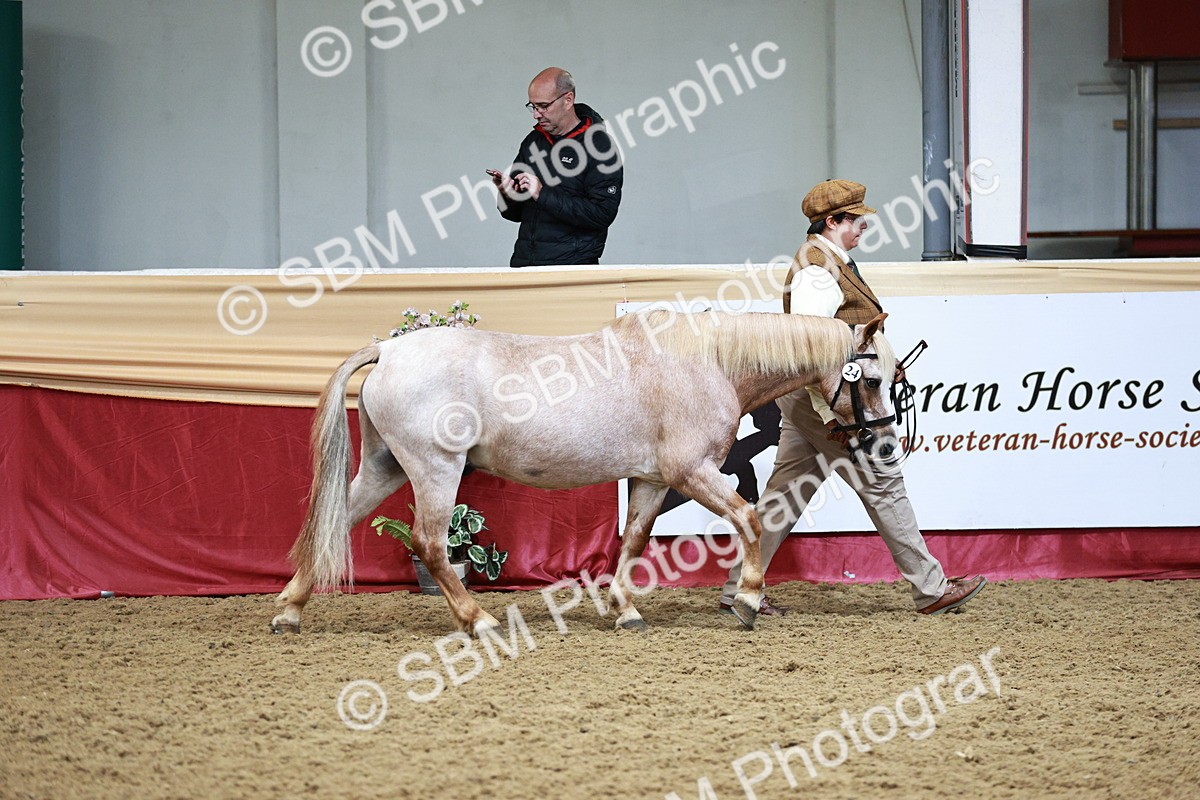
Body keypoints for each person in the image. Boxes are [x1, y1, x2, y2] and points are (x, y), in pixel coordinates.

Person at [719, 179, 987, 618]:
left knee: (785, 496)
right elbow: (812, 351)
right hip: (830, 406)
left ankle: (739, 589)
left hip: (818, 403)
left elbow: (845, 339)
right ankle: (931, 589)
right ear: (831, 222)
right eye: (855, 219)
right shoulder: (816, 272)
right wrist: (833, 415)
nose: (863, 226)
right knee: (884, 481)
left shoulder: (830, 262)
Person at [489, 68, 623, 267]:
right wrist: (507, 194)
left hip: (572, 272)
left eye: (543, 106)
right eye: (532, 106)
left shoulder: (600, 147)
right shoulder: (533, 141)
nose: (536, 115)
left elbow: (602, 215)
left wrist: (542, 194)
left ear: (568, 100)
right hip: (524, 265)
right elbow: (513, 214)